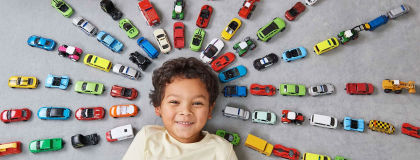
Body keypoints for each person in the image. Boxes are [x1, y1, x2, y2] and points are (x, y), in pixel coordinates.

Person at [122, 57, 238, 160]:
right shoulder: (148, 138)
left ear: (209, 110)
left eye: (197, 103)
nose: (186, 111)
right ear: (158, 107)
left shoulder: (222, 150)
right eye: (174, 102)